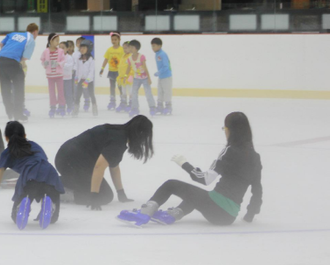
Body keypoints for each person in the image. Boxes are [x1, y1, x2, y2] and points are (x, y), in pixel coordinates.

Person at [118, 112, 262, 226]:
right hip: (229, 216)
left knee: (171, 184)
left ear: (230, 130)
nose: (224, 132)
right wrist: (250, 215)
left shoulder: (229, 151)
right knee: (198, 195)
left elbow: (204, 179)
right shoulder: (255, 157)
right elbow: (257, 189)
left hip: (216, 209)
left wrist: (184, 164)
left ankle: (143, 214)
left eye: (225, 128)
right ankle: (173, 215)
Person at [0, 121, 64, 230]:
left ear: (6, 138)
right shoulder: (35, 145)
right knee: (52, 218)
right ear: (25, 136)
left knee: (15, 217)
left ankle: (23, 203)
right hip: (51, 176)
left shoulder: (6, 153)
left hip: (29, 180)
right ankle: (48, 203)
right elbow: (42, 173)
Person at [55, 115, 153, 210]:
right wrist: (94, 196)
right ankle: (55, 190)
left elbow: (114, 166)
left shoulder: (118, 133)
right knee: (104, 195)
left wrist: (120, 192)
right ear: (139, 134)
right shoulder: (118, 141)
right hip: (70, 162)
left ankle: (56, 181)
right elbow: (98, 167)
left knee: (101, 192)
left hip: (68, 158)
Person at [0, 23, 39, 121]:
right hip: (13, 61)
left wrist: (7, 53)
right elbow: (25, 57)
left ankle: (9, 111)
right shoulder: (31, 39)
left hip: (1, 59)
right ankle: (18, 113)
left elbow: (1, 44)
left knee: (5, 86)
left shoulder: (13, 34)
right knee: (19, 87)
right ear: (35, 32)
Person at [124, 40, 156, 117]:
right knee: (134, 93)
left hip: (145, 78)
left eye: (132, 47)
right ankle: (135, 108)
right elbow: (128, 68)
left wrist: (149, 78)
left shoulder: (141, 57)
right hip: (136, 79)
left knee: (148, 93)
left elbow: (145, 68)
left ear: (137, 48)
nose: (130, 49)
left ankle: (152, 107)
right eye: (129, 47)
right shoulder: (129, 59)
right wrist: (125, 76)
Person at [40, 33, 67, 118]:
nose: (58, 42)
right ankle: (52, 107)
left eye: (58, 41)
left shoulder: (60, 51)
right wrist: (45, 63)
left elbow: (63, 60)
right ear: (50, 41)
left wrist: (58, 63)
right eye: (56, 40)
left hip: (59, 75)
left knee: (60, 91)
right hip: (50, 76)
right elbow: (42, 61)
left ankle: (62, 107)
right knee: (52, 93)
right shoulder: (45, 51)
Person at [100, 32, 125, 111]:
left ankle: (123, 101)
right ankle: (112, 101)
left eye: (115, 39)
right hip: (111, 71)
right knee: (112, 87)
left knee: (120, 87)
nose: (113, 41)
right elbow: (106, 59)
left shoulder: (122, 50)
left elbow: (125, 60)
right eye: (112, 39)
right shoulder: (109, 50)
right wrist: (102, 68)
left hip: (119, 72)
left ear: (119, 40)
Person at [73, 42, 97, 117]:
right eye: (81, 48)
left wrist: (87, 80)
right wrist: (76, 78)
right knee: (78, 95)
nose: (82, 49)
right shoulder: (79, 59)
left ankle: (94, 109)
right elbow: (77, 69)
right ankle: (75, 110)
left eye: (84, 48)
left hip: (89, 80)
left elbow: (91, 71)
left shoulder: (91, 59)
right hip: (80, 79)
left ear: (88, 49)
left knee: (91, 94)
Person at [151, 38, 173, 115]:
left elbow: (166, 66)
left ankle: (168, 107)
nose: (152, 48)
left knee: (167, 91)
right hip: (161, 77)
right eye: (152, 46)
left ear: (159, 46)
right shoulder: (157, 54)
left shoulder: (163, 54)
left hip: (166, 76)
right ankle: (160, 106)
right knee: (160, 91)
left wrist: (160, 72)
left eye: (154, 46)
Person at [116, 41, 133, 113]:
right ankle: (123, 103)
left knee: (130, 91)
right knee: (123, 92)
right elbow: (121, 67)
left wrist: (131, 75)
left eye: (126, 48)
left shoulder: (131, 56)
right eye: (124, 48)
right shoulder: (123, 56)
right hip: (123, 78)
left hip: (129, 78)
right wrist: (119, 76)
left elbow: (132, 67)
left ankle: (131, 104)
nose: (124, 50)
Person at [59, 41, 75, 115]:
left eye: (63, 48)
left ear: (67, 49)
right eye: (60, 48)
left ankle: (70, 106)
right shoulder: (58, 57)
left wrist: (62, 64)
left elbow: (69, 67)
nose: (61, 49)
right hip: (60, 79)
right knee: (61, 94)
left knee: (68, 93)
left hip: (68, 79)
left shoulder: (69, 57)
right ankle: (61, 106)